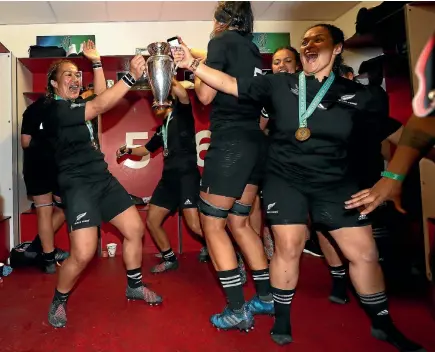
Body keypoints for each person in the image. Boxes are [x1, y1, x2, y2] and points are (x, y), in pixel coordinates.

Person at [174, 23, 425, 351]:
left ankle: (383, 323)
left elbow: (405, 135)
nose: (308, 45)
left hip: (335, 181)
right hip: (285, 179)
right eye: (304, 40)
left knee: (365, 253)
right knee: (288, 246)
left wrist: (391, 178)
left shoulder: (360, 96)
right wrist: (192, 63)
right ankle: (281, 317)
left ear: (337, 48)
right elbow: (231, 84)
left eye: (317, 40)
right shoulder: (280, 84)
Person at [42, 41, 162, 329]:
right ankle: (59, 299)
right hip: (77, 185)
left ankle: (134, 285)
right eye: (67, 75)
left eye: (76, 74)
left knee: (134, 229)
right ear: (54, 84)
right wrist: (130, 78)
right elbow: (99, 105)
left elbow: (98, 96)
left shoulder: (78, 103)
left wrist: (96, 62)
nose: (75, 79)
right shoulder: (53, 110)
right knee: (83, 252)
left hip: (102, 179)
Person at [180, 1, 274, 331]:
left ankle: (237, 309)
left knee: (212, 224)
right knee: (241, 223)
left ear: (221, 19)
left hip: (230, 143)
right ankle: (265, 297)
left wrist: (196, 69)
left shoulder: (219, 42)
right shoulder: (252, 49)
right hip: (254, 142)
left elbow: (205, 96)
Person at [116, 78, 208, 272]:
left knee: (194, 224)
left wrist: (165, 77)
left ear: (169, 99)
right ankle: (170, 258)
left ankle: (227, 251)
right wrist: (127, 149)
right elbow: (145, 150)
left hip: (186, 177)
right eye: (152, 103)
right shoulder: (162, 128)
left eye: (157, 100)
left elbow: (183, 94)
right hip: (169, 180)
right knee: (152, 220)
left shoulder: (182, 114)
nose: (154, 104)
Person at [21, 98, 69, 274]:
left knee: (59, 209)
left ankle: (39, 250)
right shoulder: (37, 108)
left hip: (51, 166)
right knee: (48, 210)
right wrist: (50, 142)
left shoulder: (37, 108)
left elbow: (26, 142)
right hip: (42, 166)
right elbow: (25, 142)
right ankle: (47, 256)